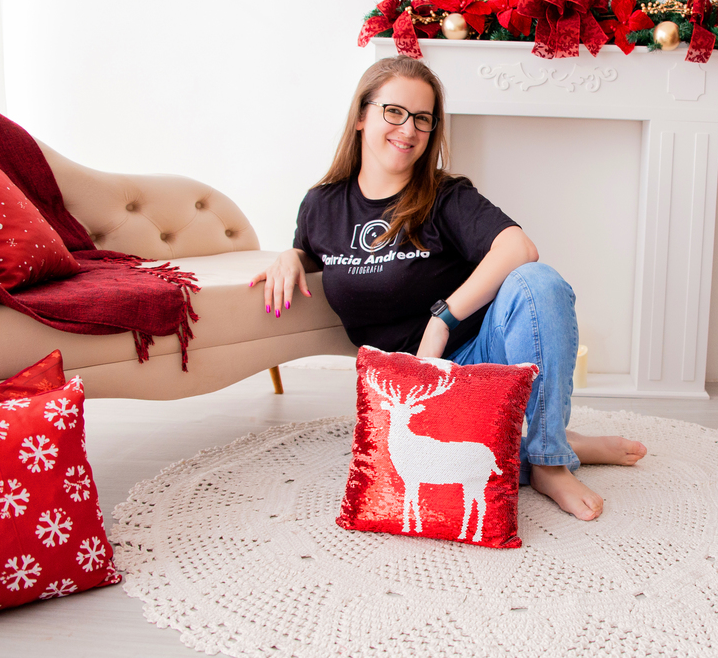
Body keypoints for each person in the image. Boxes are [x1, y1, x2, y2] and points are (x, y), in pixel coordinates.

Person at [251, 55, 646, 520]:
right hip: (408, 391)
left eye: (422, 118)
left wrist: (442, 321)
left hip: (473, 362)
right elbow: (313, 253)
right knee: (425, 465)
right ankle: (555, 441)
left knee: (540, 283)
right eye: (393, 111)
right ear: (361, 116)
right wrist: (290, 256)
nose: (408, 129)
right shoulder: (321, 205)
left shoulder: (446, 195)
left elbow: (518, 248)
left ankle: (548, 462)